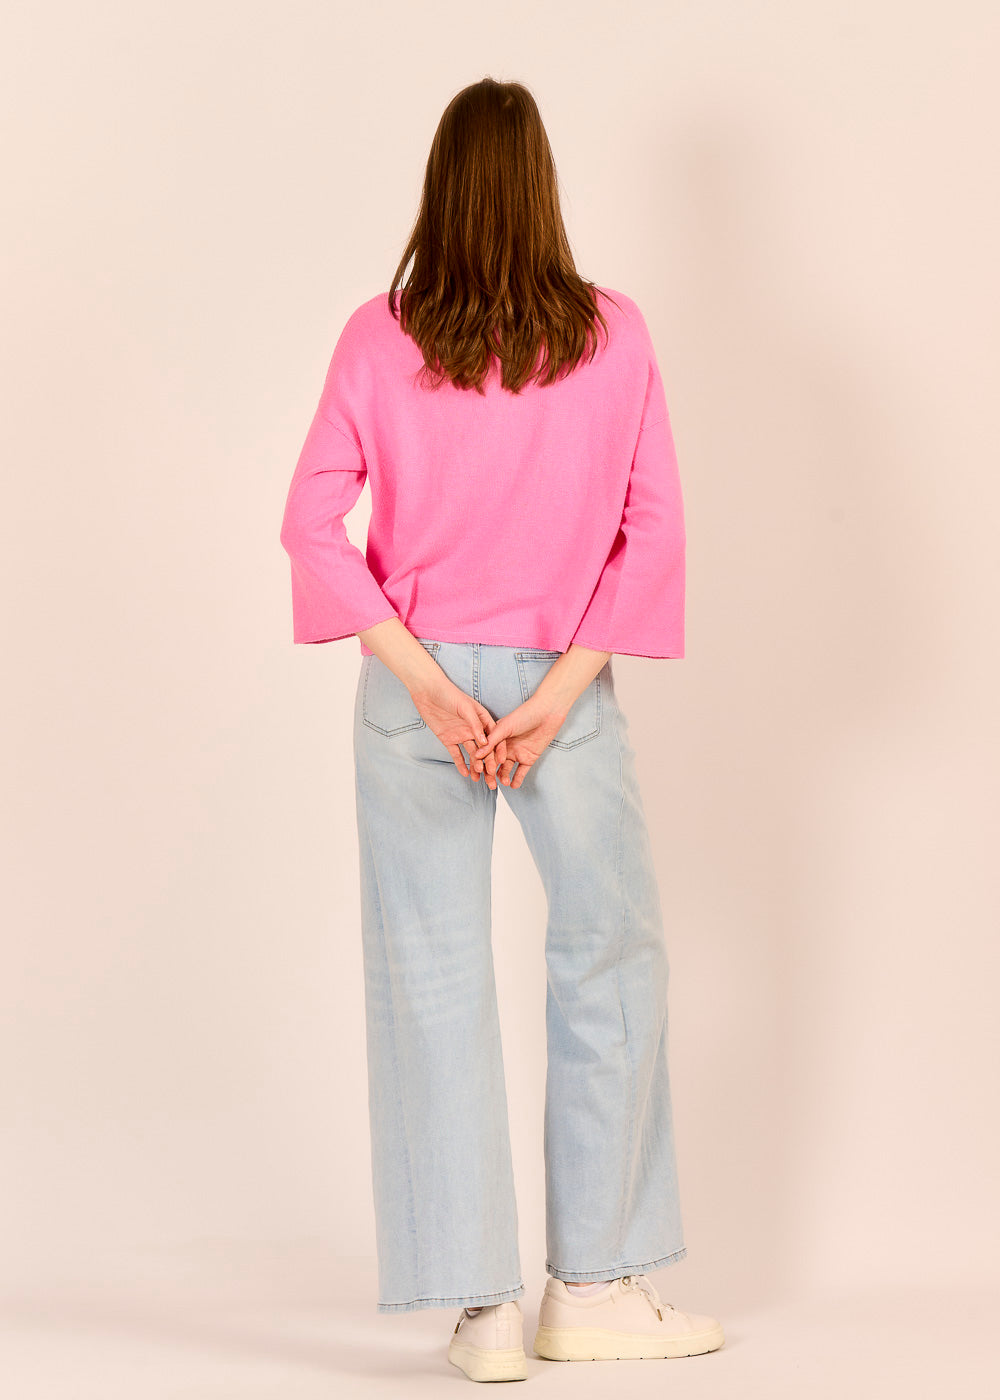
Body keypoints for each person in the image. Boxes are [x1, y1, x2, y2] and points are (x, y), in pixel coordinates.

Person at [279, 76, 724, 1383]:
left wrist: (426, 684)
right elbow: (653, 528)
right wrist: (559, 691)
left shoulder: (380, 336)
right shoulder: (613, 334)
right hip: (556, 685)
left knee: (428, 971)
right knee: (610, 956)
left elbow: (310, 525)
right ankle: (592, 1287)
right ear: (541, 189)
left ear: (441, 187)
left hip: (412, 681)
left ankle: (481, 1309)